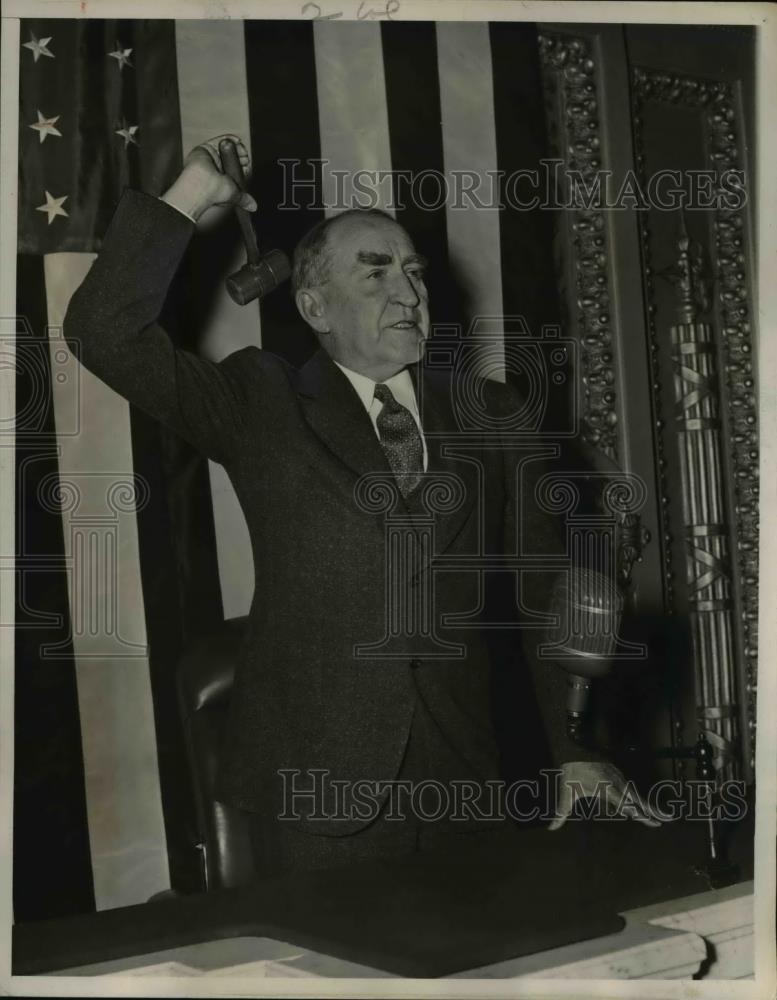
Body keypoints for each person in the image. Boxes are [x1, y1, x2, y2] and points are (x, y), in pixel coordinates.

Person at [63, 134, 657, 878]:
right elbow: (102, 333)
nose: (409, 293)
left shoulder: (494, 414)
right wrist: (188, 198)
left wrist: (571, 751)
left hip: (467, 781)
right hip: (317, 789)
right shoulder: (259, 399)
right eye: (376, 276)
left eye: (414, 274)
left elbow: (538, 599)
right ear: (313, 304)